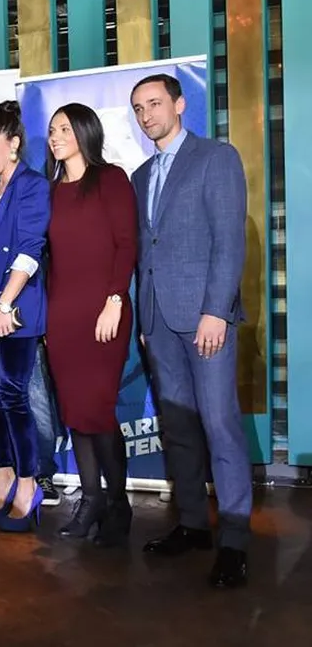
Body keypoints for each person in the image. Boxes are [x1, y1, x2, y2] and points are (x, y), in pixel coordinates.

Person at [130, 73, 251, 588]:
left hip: (205, 317)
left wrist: (216, 311)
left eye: (155, 103)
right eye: (138, 108)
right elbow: (145, 252)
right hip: (158, 320)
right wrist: (143, 317)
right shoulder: (139, 175)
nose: (147, 115)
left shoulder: (216, 158)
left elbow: (229, 241)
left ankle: (235, 540)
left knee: (220, 424)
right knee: (178, 427)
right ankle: (193, 524)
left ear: (179, 105)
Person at [44, 103, 137, 546]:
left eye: (64, 128)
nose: (55, 137)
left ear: (84, 131)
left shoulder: (111, 179)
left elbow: (126, 243)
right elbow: (49, 260)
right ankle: (91, 499)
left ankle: (118, 503)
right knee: (75, 413)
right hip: (62, 315)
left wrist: (115, 300)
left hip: (105, 311)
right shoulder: (50, 191)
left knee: (98, 409)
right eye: (52, 130)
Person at [0, 101, 51, 533]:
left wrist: (5, 304)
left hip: (12, 306)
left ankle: (28, 487)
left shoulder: (31, 186)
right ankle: (2, 479)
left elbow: (30, 248)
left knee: (14, 397)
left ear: (14, 144)